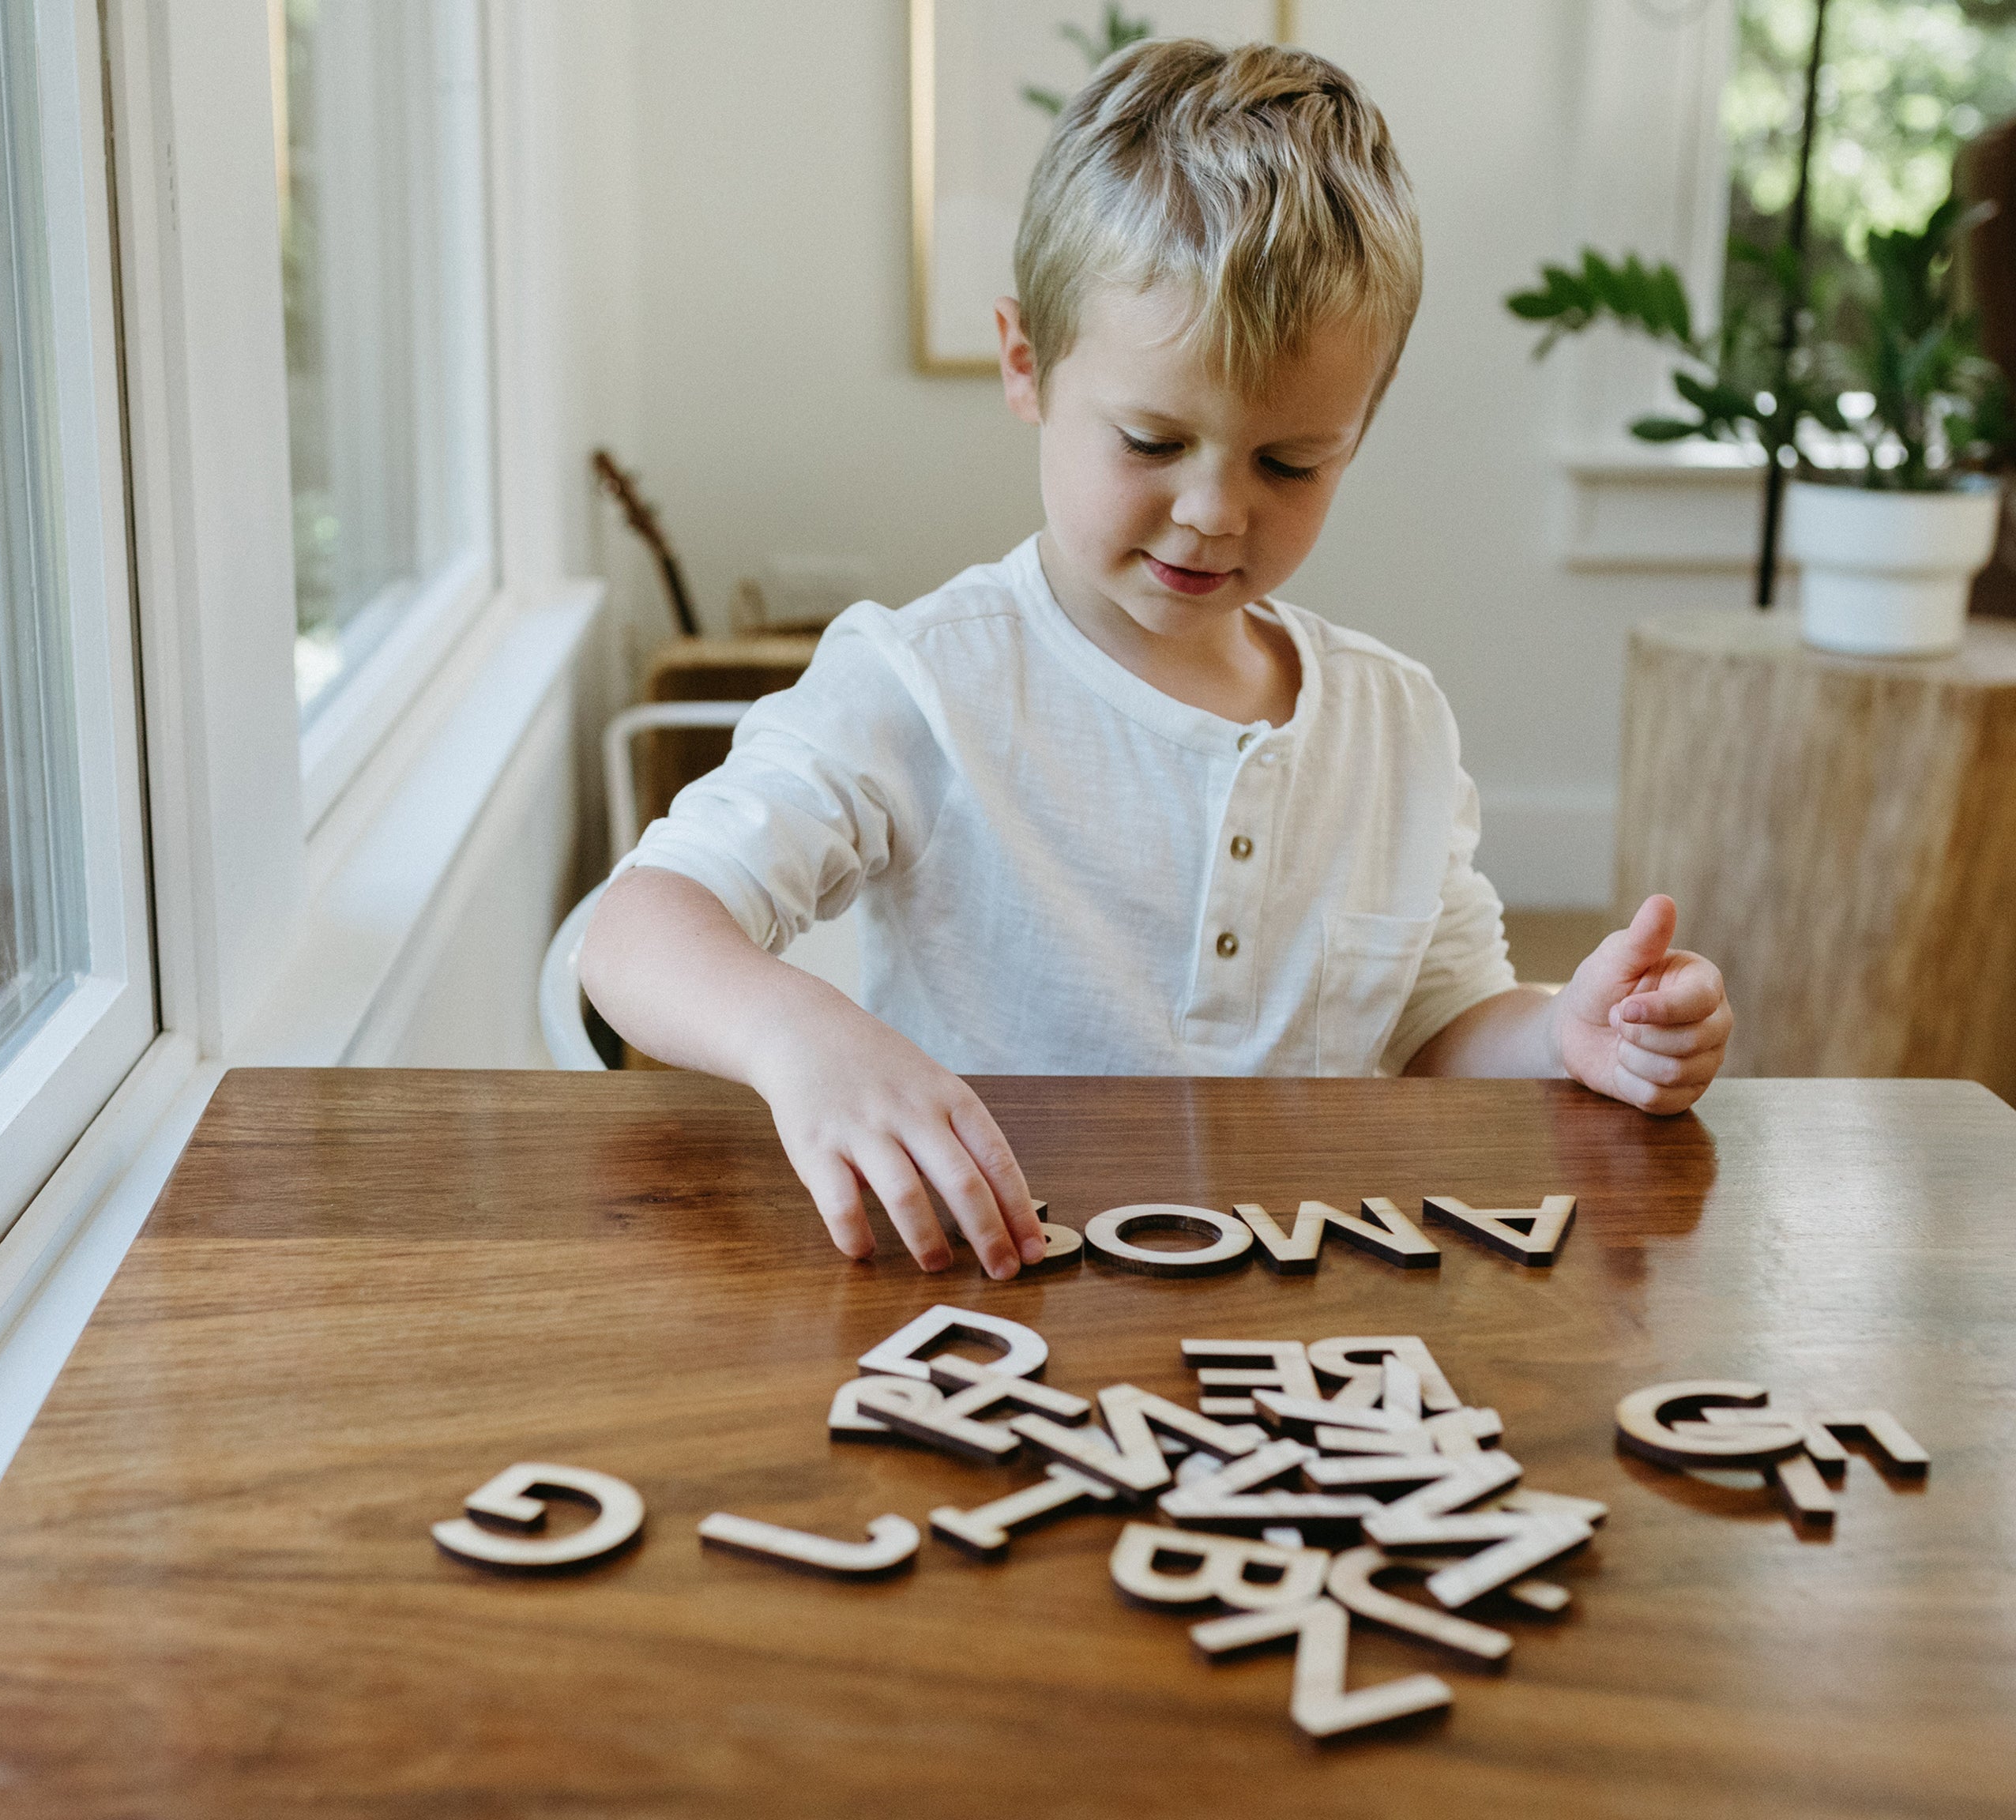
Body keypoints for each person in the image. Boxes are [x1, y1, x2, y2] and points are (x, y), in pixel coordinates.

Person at [579, 37, 1732, 1282]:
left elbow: (1437, 1023)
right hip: (993, 1306)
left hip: (1304, 1320)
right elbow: (631, 934)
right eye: (1151, 440)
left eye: (1289, 463)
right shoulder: (921, 680)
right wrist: (800, 1036)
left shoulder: (1393, 723)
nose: (1214, 512)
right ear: (1026, 363)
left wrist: (1566, 1037)